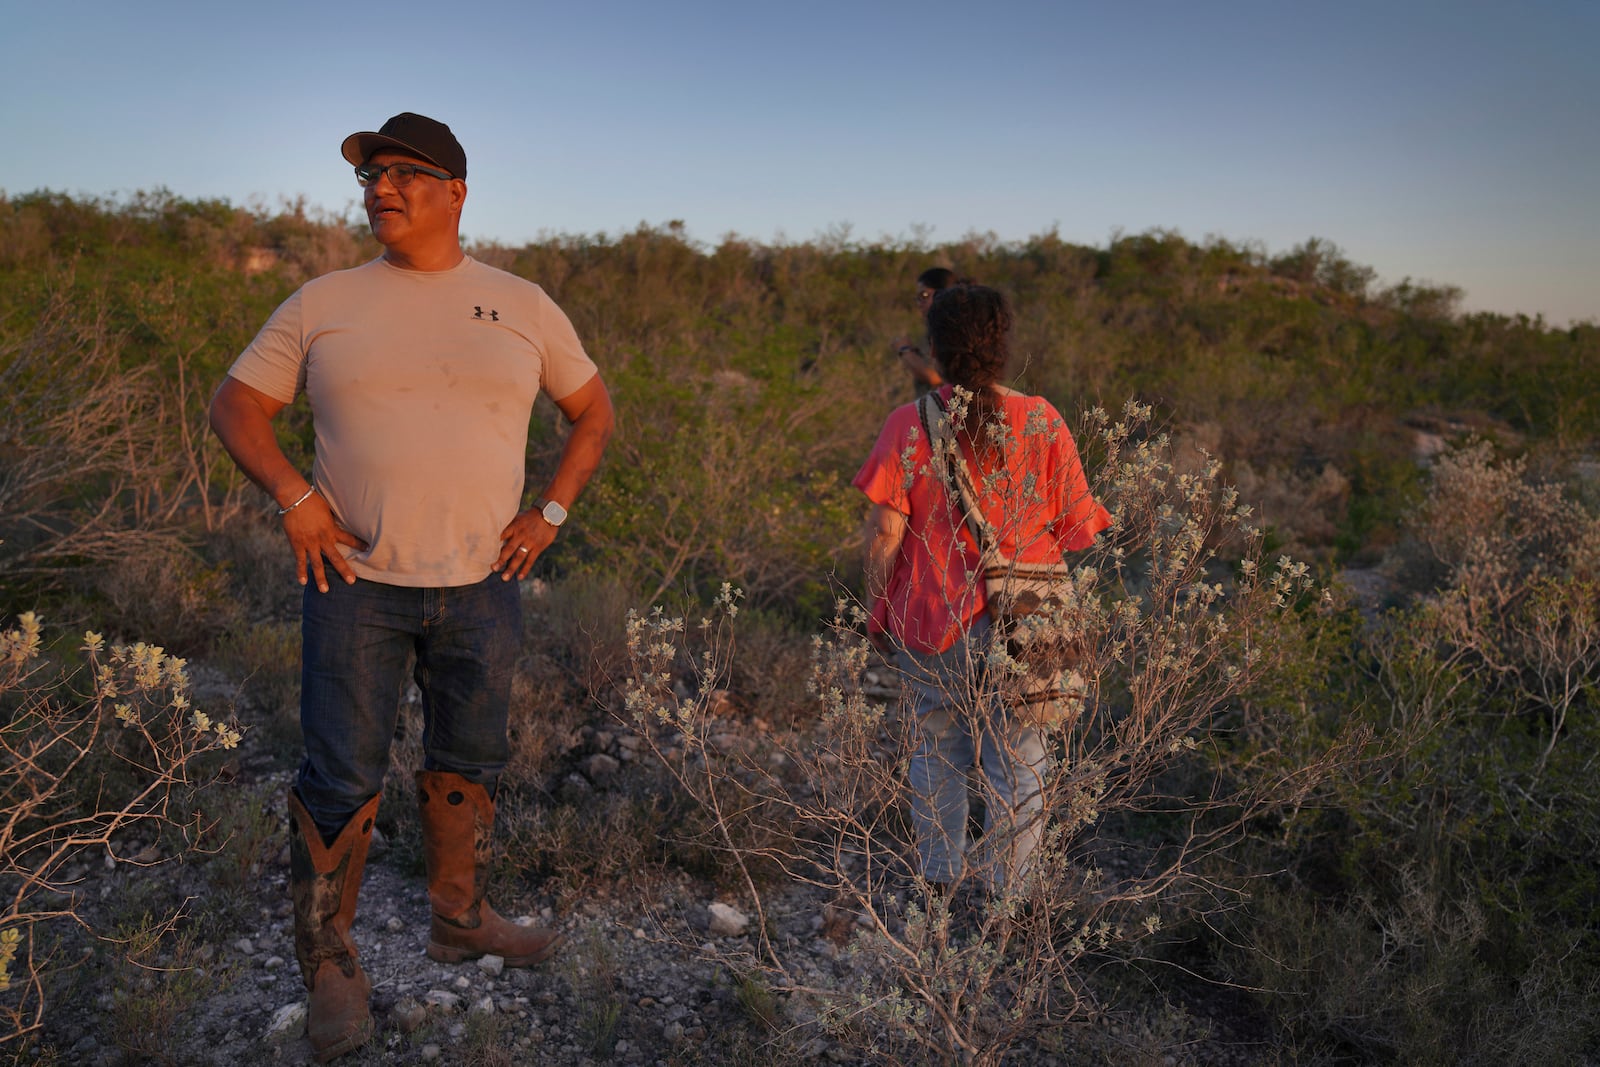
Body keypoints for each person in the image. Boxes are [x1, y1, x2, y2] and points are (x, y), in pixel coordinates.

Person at [209, 112, 614, 1062]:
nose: (379, 187)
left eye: (403, 172)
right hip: (352, 580)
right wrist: (296, 497)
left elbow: (593, 410)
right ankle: (332, 965)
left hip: (482, 582)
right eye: (371, 175)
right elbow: (236, 405)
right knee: (339, 772)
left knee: (467, 756)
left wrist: (548, 514)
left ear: (456, 192)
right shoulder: (323, 299)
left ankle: (459, 918)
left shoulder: (521, 303)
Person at [854, 285, 1110, 900]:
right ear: (1001, 344)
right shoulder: (1044, 419)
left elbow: (884, 532)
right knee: (1019, 765)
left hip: (930, 618)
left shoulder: (908, 423)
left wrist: (875, 610)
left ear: (936, 346)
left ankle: (939, 889)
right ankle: (1010, 906)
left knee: (938, 752)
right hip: (1026, 625)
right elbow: (1078, 531)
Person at [892, 266, 962, 395]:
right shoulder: (935, 329)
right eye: (918, 298)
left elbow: (934, 377)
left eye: (924, 295)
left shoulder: (953, 331)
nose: (919, 303)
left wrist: (905, 350)